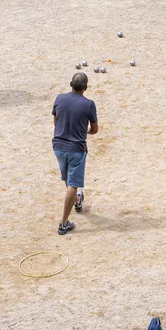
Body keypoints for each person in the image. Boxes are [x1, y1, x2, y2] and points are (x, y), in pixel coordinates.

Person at [52, 72, 98, 235]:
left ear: (71, 85)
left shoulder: (59, 98)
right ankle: (64, 223)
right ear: (85, 88)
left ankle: (77, 201)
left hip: (58, 146)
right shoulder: (89, 104)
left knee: (68, 180)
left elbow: (56, 121)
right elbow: (94, 129)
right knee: (73, 184)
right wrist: (84, 132)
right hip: (76, 149)